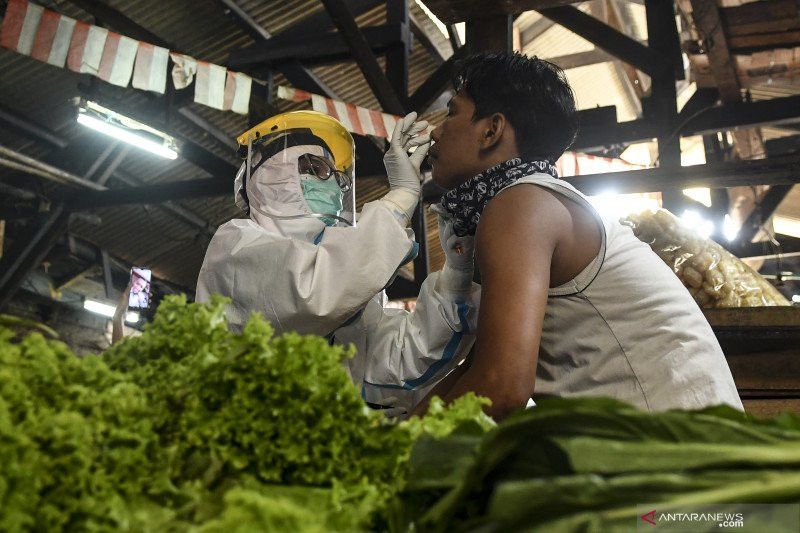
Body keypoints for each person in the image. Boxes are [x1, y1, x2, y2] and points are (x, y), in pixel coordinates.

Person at [413, 52, 742, 420]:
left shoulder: (521, 205)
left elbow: (500, 387)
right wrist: (396, 432)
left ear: (492, 130)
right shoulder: (531, 201)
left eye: (452, 113)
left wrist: (393, 453)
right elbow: (478, 368)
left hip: (679, 454)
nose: (436, 131)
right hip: (676, 441)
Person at [196, 110, 479, 414]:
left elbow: (405, 359)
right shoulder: (237, 245)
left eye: (336, 175)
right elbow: (313, 295)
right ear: (270, 177)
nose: (331, 182)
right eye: (315, 168)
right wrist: (400, 198)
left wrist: (457, 275)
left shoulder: (348, 286)